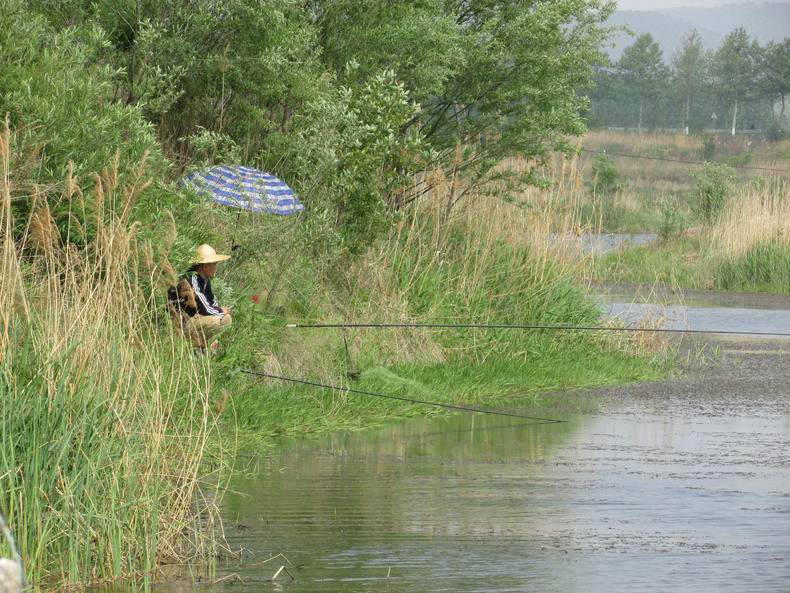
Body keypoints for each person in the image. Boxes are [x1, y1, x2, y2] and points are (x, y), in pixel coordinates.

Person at [168, 244, 232, 354]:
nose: (216, 267)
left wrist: (220, 312)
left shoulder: (206, 280)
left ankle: (203, 347)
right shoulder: (191, 279)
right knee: (215, 320)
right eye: (214, 264)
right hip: (181, 325)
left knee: (227, 319)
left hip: (194, 320)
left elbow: (212, 302)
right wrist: (221, 311)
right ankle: (192, 348)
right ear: (204, 266)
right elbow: (206, 309)